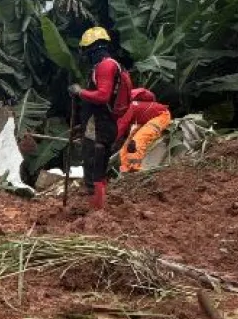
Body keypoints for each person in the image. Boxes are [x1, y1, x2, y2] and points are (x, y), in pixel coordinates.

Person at [68, 26, 132, 210]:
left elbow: (103, 96)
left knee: (94, 161)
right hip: (102, 122)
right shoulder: (110, 66)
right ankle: (97, 205)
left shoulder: (105, 66)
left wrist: (80, 92)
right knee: (98, 162)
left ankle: (95, 207)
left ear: (91, 49)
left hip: (100, 124)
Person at [118, 88, 172, 173]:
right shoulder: (126, 104)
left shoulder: (127, 107)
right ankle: (126, 168)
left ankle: (135, 168)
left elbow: (121, 127)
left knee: (137, 141)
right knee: (125, 146)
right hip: (145, 120)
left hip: (160, 116)